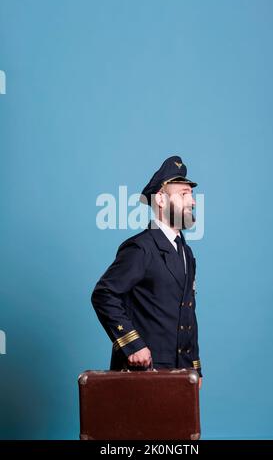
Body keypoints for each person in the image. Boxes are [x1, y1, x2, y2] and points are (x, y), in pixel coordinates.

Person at [91, 156, 202, 388]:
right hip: (145, 371)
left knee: (180, 426)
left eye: (191, 194)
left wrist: (195, 368)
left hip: (179, 370)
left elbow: (188, 314)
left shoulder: (186, 252)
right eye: (183, 194)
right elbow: (104, 294)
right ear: (161, 199)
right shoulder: (141, 247)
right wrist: (132, 344)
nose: (192, 201)